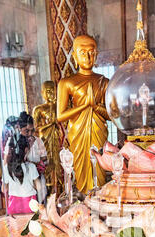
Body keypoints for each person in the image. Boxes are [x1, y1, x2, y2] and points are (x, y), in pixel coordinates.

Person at [57, 35, 109, 194]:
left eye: (91, 52)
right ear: (74, 55)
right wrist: (84, 106)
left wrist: (95, 107)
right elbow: (60, 116)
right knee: (80, 170)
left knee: (99, 167)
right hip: (78, 133)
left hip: (98, 132)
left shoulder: (103, 81)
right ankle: (83, 202)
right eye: (82, 52)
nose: (87, 57)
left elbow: (112, 116)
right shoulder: (67, 82)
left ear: (96, 54)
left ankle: (99, 200)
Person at [33, 80, 63, 195]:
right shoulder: (39, 109)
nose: (51, 94)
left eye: (53, 91)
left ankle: (59, 191)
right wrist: (50, 124)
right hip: (44, 139)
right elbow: (35, 129)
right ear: (42, 92)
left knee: (57, 163)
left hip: (55, 138)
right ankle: (48, 193)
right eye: (48, 91)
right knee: (47, 163)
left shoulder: (58, 107)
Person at [2, 135, 41, 215]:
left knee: (15, 227)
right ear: (26, 150)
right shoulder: (31, 166)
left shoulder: (7, 167)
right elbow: (39, 187)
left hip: (13, 205)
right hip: (30, 204)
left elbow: (4, 189)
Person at [25, 116, 48, 204]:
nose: (30, 133)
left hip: (38, 173)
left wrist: (38, 164)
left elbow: (44, 156)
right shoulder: (22, 141)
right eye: (28, 131)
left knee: (41, 198)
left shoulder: (38, 141)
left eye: (32, 130)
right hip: (27, 175)